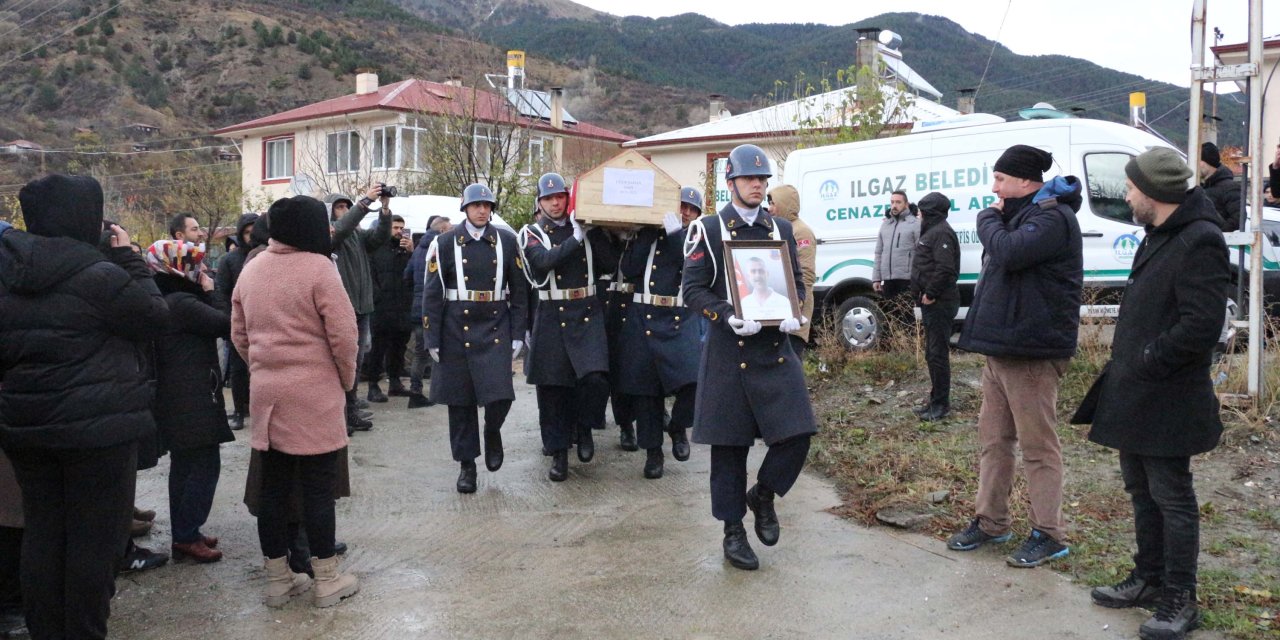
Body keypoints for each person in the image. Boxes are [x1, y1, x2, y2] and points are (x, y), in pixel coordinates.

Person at [0, 174, 170, 638]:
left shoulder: (8, 273)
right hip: (99, 434)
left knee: (42, 535)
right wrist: (129, 257)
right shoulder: (101, 275)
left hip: (26, 429)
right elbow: (155, 318)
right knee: (94, 545)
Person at [1074, 148, 1228, 640]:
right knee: (1141, 491)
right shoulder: (1158, 235)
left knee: (1172, 497)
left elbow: (1201, 325)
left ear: (1155, 193)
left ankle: (1181, 597)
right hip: (1136, 393)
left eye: (1131, 187)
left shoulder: (1200, 239)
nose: (1126, 194)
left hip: (1169, 396)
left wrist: (1148, 359)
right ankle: (1148, 579)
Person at [682, 144, 816, 571]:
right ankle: (732, 531)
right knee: (729, 449)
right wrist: (725, 316)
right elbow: (693, 290)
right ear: (731, 183)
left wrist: (795, 312)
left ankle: (763, 495)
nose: (756, 185)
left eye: (762, 179)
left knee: (797, 435)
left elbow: (794, 280)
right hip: (730, 349)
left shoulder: (780, 228)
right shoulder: (707, 228)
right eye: (748, 179)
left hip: (775, 348)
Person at [949, 144, 1083, 568]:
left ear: (1026, 181)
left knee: (1038, 447)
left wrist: (987, 217)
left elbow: (1009, 252)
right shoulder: (1018, 216)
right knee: (993, 441)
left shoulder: (1052, 218)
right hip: (1001, 348)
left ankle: (1049, 533)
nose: (995, 188)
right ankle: (991, 522)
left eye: (1001, 179)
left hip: (1031, 351)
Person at [233, 195, 360, 609]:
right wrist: (344, 380)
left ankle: (278, 580)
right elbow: (344, 336)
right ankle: (326, 579)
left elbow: (239, 332)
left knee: (272, 491)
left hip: (267, 395)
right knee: (317, 492)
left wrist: (263, 366)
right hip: (314, 395)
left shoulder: (252, 269)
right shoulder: (319, 269)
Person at [423, 184, 529, 493]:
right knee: (460, 403)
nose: (482, 210)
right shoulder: (444, 243)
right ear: (465, 209)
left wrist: (518, 333)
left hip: (495, 324)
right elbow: (432, 293)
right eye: (476, 205)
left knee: (500, 395)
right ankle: (467, 465)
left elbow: (520, 292)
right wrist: (432, 337)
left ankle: (492, 430)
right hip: (456, 327)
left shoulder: (507, 242)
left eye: (487, 205)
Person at [518, 172, 618, 481]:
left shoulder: (587, 228)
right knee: (554, 391)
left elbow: (611, 263)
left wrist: (604, 231)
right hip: (552, 312)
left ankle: (586, 427)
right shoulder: (531, 232)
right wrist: (576, 237)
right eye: (549, 198)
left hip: (587, 310)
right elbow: (544, 261)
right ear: (540, 202)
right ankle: (559, 455)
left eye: (560, 197)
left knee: (596, 379)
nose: (556, 203)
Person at [146, 239, 235, 564]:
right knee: (203, 465)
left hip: (179, 395)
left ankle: (186, 532)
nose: (202, 269)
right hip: (192, 396)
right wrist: (212, 291)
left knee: (184, 466)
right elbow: (227, 322)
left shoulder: (165, 298)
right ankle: (186, 535)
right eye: (194, 263)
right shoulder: (182, 302)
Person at [615, 187, 704, 478]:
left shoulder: (696, 237)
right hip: (645, 315)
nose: (685, 212)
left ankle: (678, 427)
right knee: (646, 392)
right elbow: (628, 269)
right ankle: (653, 453)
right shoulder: (649, 234)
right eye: (682, 206)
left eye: (692, 208)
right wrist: (647, 234)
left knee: (693, 381)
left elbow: (699, 266)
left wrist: (678, 235)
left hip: (681, 316)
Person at [327, 188, 393, 432]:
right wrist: (366, 201)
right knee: (344, 362)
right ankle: (341, 413)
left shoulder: (357, 235)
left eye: (347, 206)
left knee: (356, 361)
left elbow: (379, 238)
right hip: (344, 308)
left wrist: (384, 210)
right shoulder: (331, 235)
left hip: (363, 307)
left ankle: (351, 408)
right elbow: (342, 227)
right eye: (340, 207)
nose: (344, 210)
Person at [909, 192, 960, 421]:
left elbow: (945, 269)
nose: (918, 214)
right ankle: (934, 400)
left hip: (940, 302)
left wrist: (930, 293)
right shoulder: (932, 230)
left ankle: (941, 405)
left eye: (922, 211)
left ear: (931, 213)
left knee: (938, 354)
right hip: (932, 303)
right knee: (932, 353)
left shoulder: (941, 232)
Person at [215, 213, 260, 431]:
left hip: (263, 323)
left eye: (255, 231)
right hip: (238, 323)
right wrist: (229, 321)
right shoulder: (230, 260)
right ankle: (239, 411)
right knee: (238, 369)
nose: (251, 236)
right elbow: (222, 292)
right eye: (247, 232)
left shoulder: (266, 256)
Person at [365, 215, 415, 403]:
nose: (399, 231)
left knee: (398, 347)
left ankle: (395, 382)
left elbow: (415, 273)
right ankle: (373, 385)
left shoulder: (405, 250)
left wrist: (412, 252)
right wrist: (377, 298)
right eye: (395, 227)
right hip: (382, 308)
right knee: (378, 348)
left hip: (402, 307)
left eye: (401, 227)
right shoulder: (375, 248)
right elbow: (370, 275)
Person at [404, 215, 452, 408]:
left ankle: (419, 391)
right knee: (429, 353)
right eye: (450, 229)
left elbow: (406, 276)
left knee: (421, 352)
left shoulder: (417, 250)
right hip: (434, 308)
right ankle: (417, 393)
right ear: (442, 230)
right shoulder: (441, 248)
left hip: (417, 307)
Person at [767, 185, 815, 356]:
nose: (769, 208)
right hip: (780, 306)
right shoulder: (778, 229)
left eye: (773, 203)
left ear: (785, 204)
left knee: (791, 360)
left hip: (796, 309)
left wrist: (796, 307)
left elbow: (806, 274)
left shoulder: (801, 232)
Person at [871, 190, 919, 329]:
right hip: (889, 280)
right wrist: (876, 278)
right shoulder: (886, 225)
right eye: (892, 202)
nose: (894, 205)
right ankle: (895, 347)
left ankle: (908, 347)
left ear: (906, 204)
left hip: (907, 279)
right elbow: (879, 252)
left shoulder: (915, 224)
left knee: (906, 318)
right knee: (890, 317)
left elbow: (921, 252)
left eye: (898, 202)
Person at [1198, 142, 1239, 232]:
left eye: (1198, 161)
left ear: (1207, 161)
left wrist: (1216, 233)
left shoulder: (1230, 187)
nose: (1195, 165)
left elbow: (1238, 219)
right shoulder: (1199, 187)